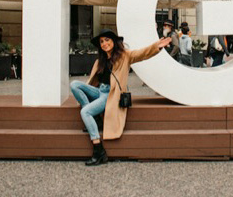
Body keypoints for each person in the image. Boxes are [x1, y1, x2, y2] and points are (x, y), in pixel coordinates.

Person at [70, 29, 170, 166]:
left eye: (107, 40)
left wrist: (156, 46)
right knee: (74, 84)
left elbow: (141, 54)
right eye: (101, 42)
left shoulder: (124, 56)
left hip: (111, 95)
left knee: (85, 112)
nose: (104, 44)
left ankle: (98, 150)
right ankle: (95, 119)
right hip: (100, 91)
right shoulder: (100, 61)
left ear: (114, 42)